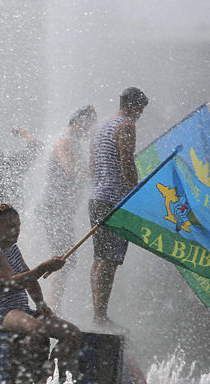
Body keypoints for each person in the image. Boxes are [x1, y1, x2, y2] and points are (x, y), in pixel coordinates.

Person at [0, 203, 81, 378]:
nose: (16, 230)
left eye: (18, 225)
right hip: (0, 313)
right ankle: (29, 377)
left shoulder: (13, 249)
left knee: (72, 333)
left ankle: (49, 376)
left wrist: (41, 304)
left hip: (21, 311)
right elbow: (14, 283)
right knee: (37, 329)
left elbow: (29, 280)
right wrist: (43, 267)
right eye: (10, 225)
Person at [88, 87, 148, 330]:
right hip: (115, 202)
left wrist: (102, 185)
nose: (140, 115)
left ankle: (98, 314)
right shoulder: (126, 126)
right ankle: (100, 316)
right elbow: (126, 161)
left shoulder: (99, 128)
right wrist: (137, 192)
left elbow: (92, 166)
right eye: (141, 110)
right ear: (133, 106)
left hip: (96, 198)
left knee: (99, 258)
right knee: (109, 260)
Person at [37, 105, 97, 313]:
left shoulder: (72, 143)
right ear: (78, 121)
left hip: (61, 210)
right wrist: (96, 170)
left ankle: (53, 305)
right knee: (61, 258)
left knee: (65, 258)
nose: (89, 130)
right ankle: (52, 307)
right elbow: (72, 172)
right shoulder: (65, 142)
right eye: (88, 124)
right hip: (54, 208)